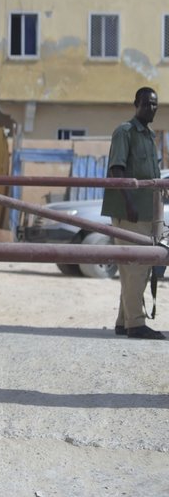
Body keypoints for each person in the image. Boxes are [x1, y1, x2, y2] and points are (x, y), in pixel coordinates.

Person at [101, 87, 165, 340]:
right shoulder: (124, 132)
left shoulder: (149, 136)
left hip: (148, 212)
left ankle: (123, 322)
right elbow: (117, 169)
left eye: (155, 105)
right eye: (147, 104)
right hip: (131, 212)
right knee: (136, 268)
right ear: (136, 104)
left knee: (134, 269)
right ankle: (135, 324)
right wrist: (129, 204)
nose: (152, 109)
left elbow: (153, 176)